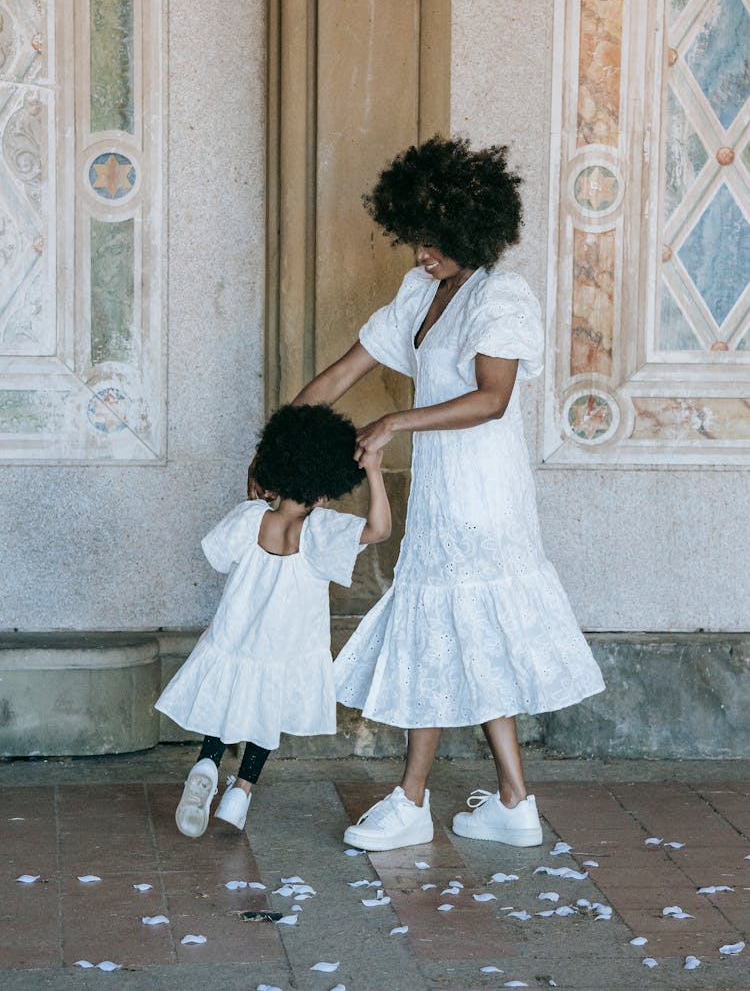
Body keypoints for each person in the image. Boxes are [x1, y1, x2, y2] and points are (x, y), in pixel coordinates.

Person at [250, 135, 605, 853]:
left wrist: (397, 420)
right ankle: (513, 800)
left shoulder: (500, 294)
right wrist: (274, 447)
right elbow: (340, 374)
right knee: (468, 630)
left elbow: (493, 398)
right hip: (446, 489)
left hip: (484, 492)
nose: (420, 253)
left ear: (473, 228)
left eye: (434, 242)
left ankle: (411, 801)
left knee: (440, 626)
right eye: (415, 239)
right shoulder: (420, 294)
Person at [157, 403, 391, 838]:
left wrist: (259, 498)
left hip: (236, 636)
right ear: (326, 486)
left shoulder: (250, 519)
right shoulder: (321, 531)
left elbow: (217, 557)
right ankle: (240, 793)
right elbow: (379, 529)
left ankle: (207, 763)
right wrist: (375, 470)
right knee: (265, 715)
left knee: (227, 706)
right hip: (288, 646)